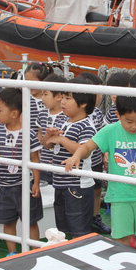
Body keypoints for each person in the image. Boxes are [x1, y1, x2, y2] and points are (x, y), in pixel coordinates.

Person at [65, 95, 136, 256]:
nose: (135, 126)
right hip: (120, 197)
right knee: (122, 239)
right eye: (129, 121)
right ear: (118, 115)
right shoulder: (110, 131)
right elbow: (87, 147)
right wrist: (76, 156)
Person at [0, 88, 43, 256]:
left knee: (30, 222)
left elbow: (35, 159)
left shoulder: (29, 134)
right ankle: (12, 252)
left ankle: (34, 251)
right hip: (3, 186)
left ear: (14, 113)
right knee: (7, 222)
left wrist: (37, 183)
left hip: (23, 185)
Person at [44, 77, 97, 238]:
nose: (63, 102)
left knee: (78, 228)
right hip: (60, 182)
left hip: (77, 185)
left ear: (83, 104)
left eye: (68, 98)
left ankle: (81, 260)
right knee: (62, 227)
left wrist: (61, 139)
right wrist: (49, 137)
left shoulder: (86, 125)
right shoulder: (62, 120)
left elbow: (84, 150)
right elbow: (48, 145)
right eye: (63, 97)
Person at [78, 72, 111, 234]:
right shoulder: (75, 114)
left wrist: (105, 152)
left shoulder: (97, 114)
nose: (100, 97)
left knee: (97, 189)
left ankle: (95, 217)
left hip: (96, 159)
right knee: (82, 191)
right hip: (81, 162)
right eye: (97, 93)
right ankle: (83, 219)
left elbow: (103, 133)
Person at [36, 73, 68, 184]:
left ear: (59, 96)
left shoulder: (67, 115)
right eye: (42, 94)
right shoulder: (42, 114)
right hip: (45, 162)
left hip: (61, 163)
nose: (42, 98)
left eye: (45, 94)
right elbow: (39, 134)